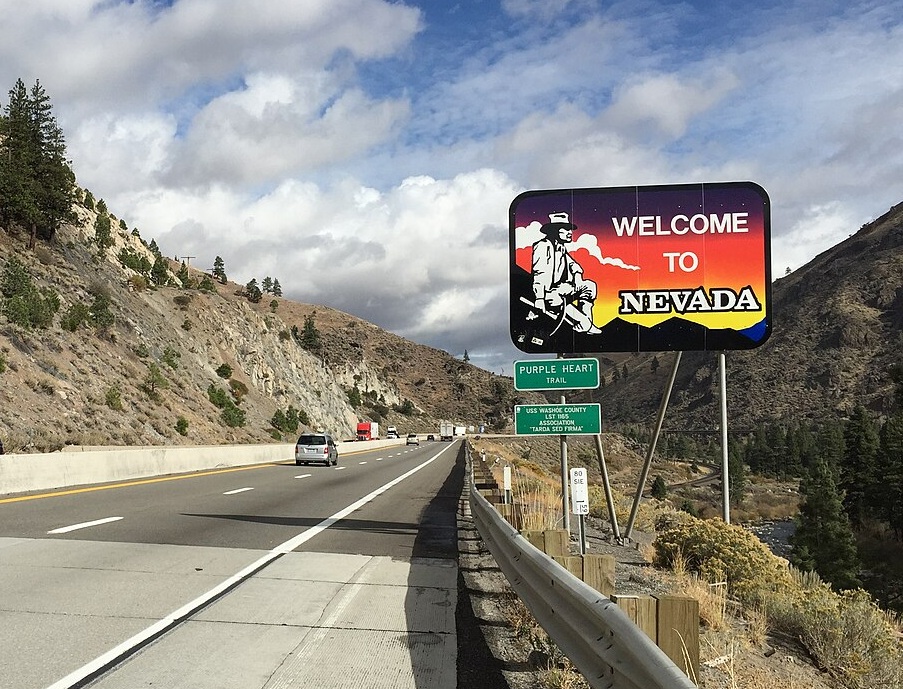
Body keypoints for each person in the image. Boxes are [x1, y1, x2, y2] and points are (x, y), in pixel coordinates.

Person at [530, 211, 600, 334]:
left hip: (561, 288)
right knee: (557, 299)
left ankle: (586, 323)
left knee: (589, 286)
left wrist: (578, 276)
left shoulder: (561, 247)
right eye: (566, 229)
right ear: (555, 231)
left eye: (570, 230)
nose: (570, 233)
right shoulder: (543, 246)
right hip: (548, 294)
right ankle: (586, 324)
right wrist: (539, 298)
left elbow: (573, 264)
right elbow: (539, 274)